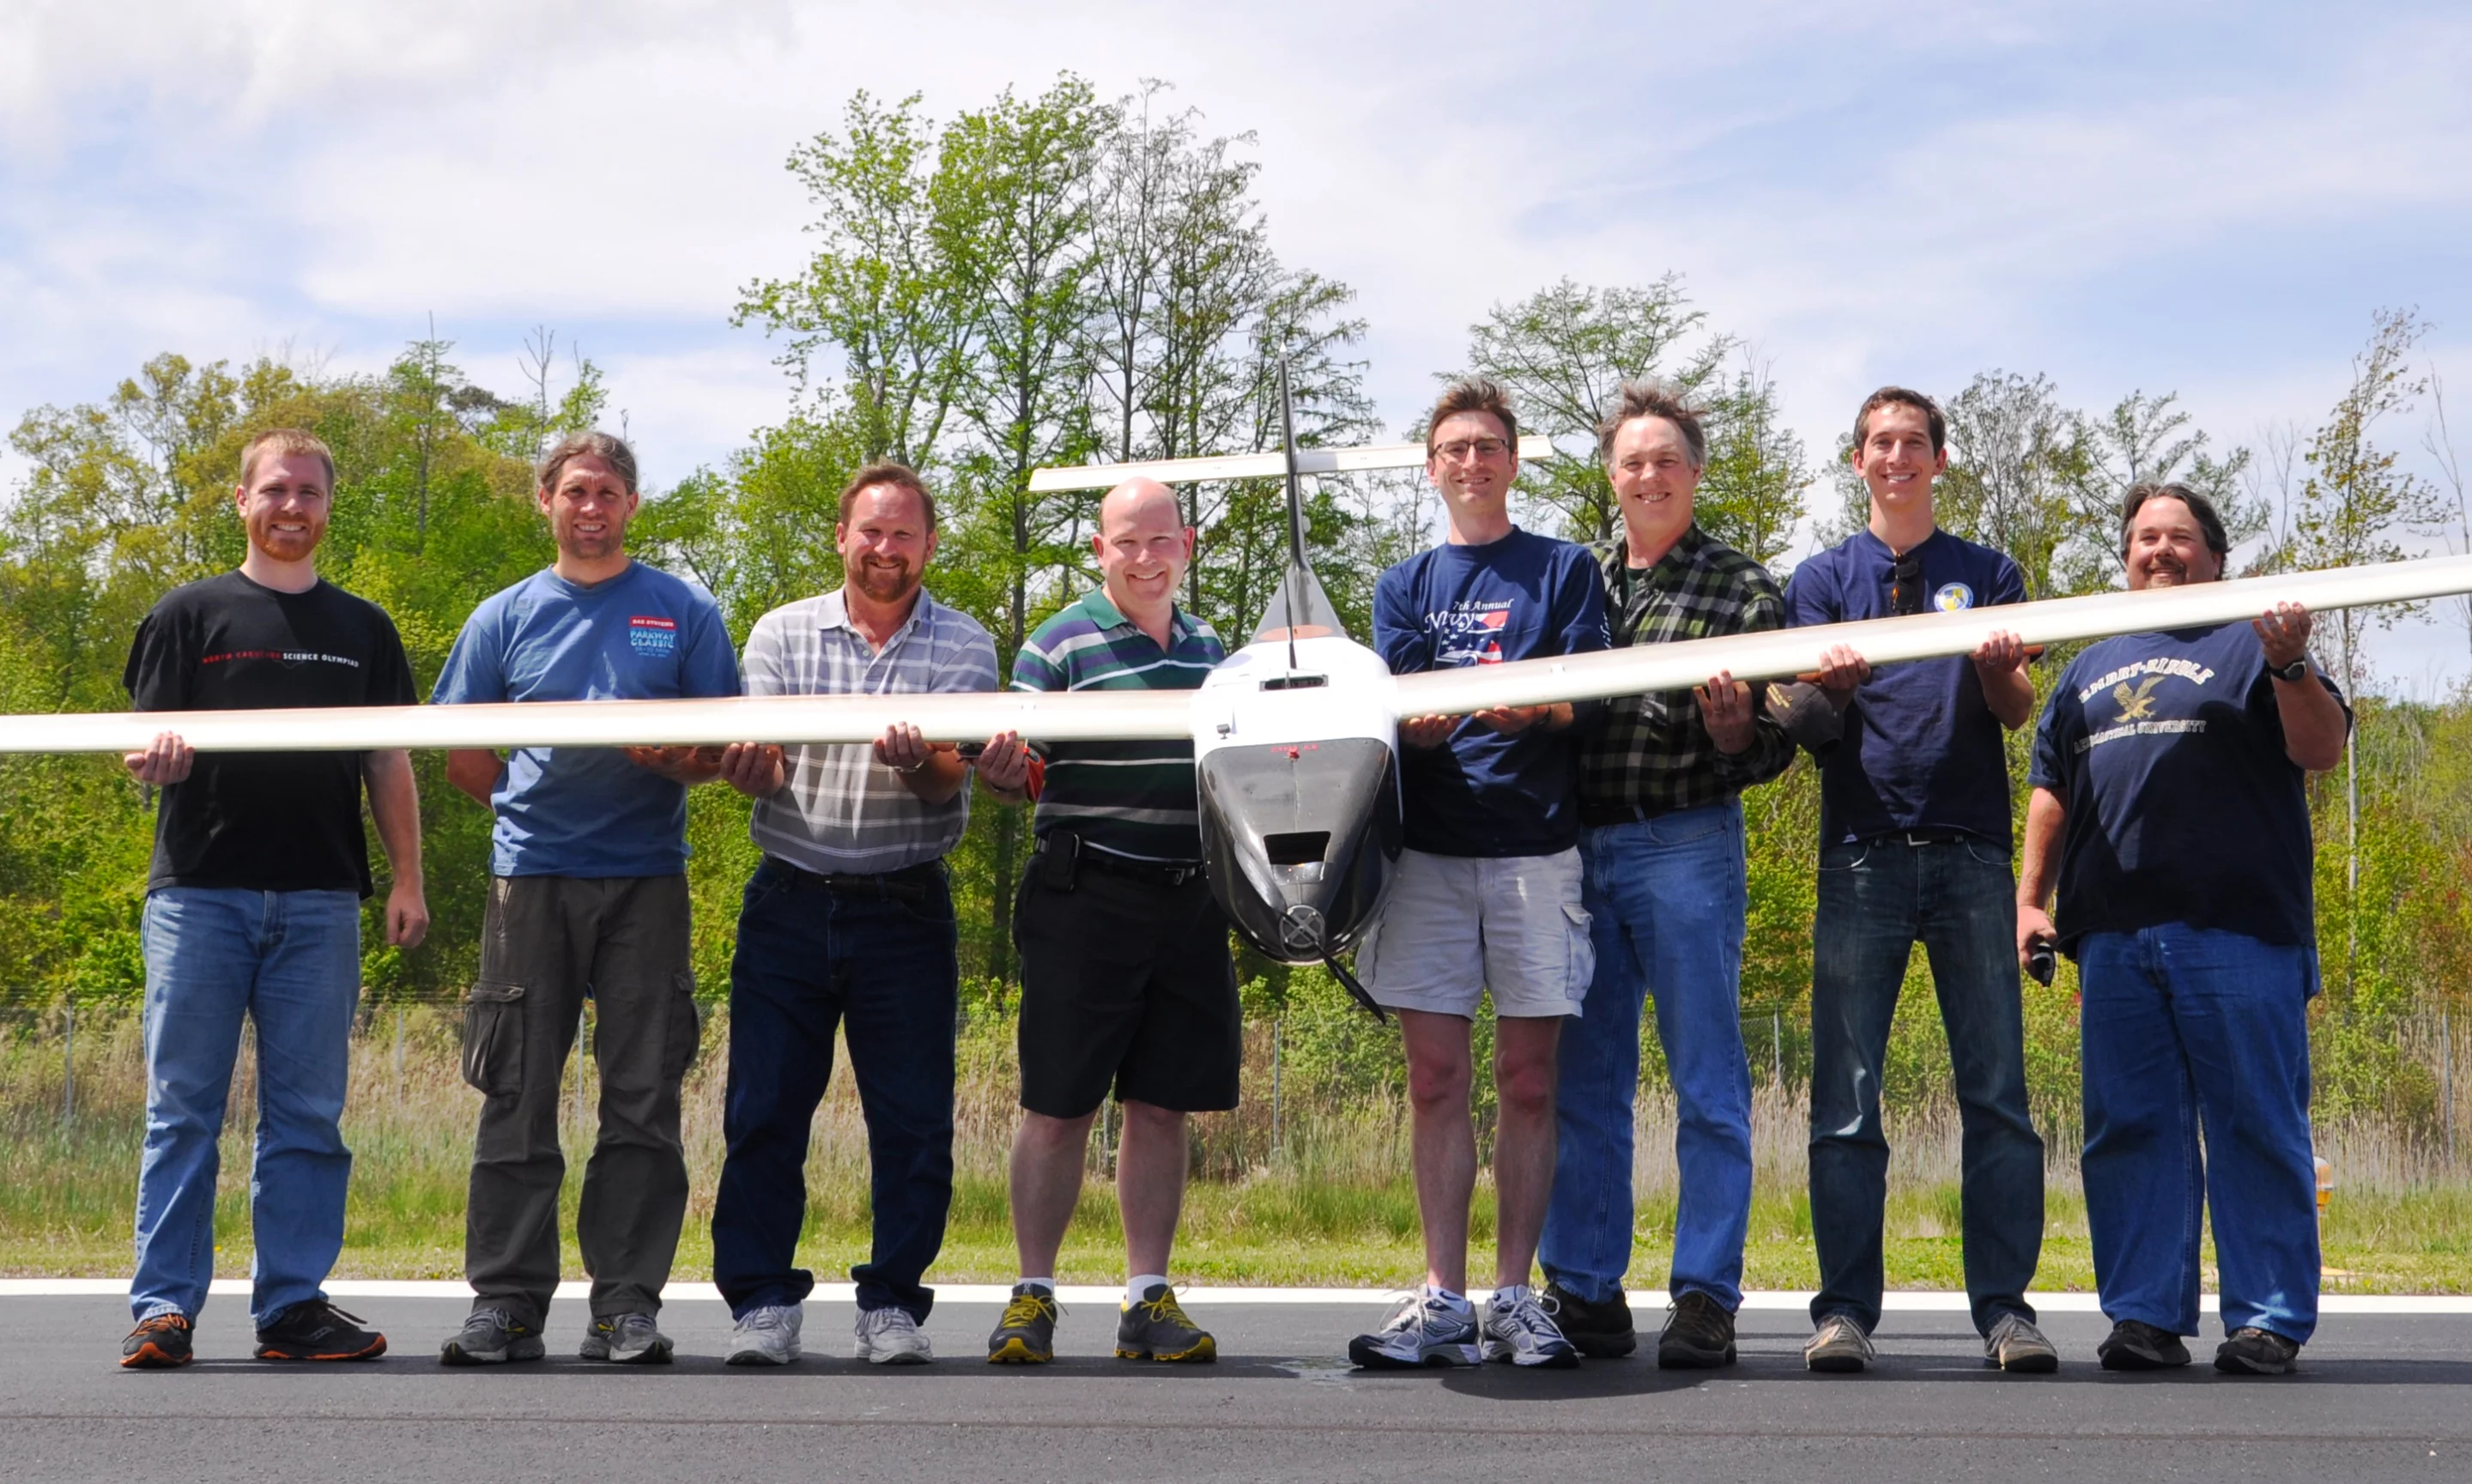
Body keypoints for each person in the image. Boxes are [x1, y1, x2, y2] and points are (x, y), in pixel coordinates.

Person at [2018, 483, 2348, 1376]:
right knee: (2129, 1127)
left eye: (2177, 537)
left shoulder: (2257, 641)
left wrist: (2289, 665)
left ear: (2215, 553)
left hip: (2238, 929)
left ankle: (2267, 1319)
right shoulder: (2089, 667)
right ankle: (2145, 1316)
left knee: (2256, 1124)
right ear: (2125, 555)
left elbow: (2321, 748)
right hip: (2116, 937)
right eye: (2142, 538)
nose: (2157, 550)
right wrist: (2031, 899)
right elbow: (2052, 787)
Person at [118, 427, 427, 1369]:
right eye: (276, 490)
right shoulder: (188, 613)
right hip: (199, 898)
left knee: (307, 1115)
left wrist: (407, 878)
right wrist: (152, 763)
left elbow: (388, 757)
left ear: (330, 507)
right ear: (241, 500)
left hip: (322, 902)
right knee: (184, 1110)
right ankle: (164, 1307)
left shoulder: (363, 629)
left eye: (309, 493)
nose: (292, 507)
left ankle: (291, 1307)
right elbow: (140, 749)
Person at [431, 431, 739, 1366]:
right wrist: (533, 810)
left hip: (649, 878)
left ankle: (628, 1305)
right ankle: (508, 1303)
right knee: (515, 1093)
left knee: (642, 1099)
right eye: (574, 491)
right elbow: (464, 758)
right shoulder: (503, 616)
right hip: (530, 881)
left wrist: (669, 760)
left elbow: (724, 749)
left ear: (631, 505)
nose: (590, 507)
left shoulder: (682, 610)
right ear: (545, 501)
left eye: (607, 492)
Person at [706, 463, 1007, 1367]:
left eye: (903, 534)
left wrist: (919, 762)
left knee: (913, 1120)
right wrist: (753, 768)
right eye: (870, 532)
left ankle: (893, 1304)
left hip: (905, 904)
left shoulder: (964, 643)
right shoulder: (781, 631)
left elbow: (951, 777)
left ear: (929, 545)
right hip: (789, 898)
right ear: (841, 536)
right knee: (763, 1112)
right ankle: (762, 1301)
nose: (885, 549)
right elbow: (763, 751)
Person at [1784, 386, 2057, 1373]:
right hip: (1860, 852)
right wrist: (1831, 687)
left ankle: (2007, 1314)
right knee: (1847, 1098)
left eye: (1913, 443)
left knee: (1997, 1095)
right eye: (1879, 442)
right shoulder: (1821, 579)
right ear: (1856, 460)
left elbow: (2019, 706)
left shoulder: (1989, 572)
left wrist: (1992, 667)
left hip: (1975, 853)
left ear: (1940, 460)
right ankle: (1845, 1312)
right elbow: (1799, 728)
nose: (1896, 456)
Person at [1348, 377, 1609, 1371]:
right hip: (1431, 857)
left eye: (1487, 445)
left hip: (1536, 851)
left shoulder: (1563, 570)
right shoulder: (1402, 585)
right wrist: (1422, 721)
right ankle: (1444, 1298)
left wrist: (1531, 709)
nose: (1470, 461)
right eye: (1453, 447)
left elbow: (1583, 695)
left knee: (1530, 1079)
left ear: (1512, 459)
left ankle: (1514, 1296)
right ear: (1431, 466)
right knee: (1434, 1079)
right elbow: (1401, 711)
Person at [1541, 381, 1797, 1368]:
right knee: (1587, 1083)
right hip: (1577, 851)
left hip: (1685, 840)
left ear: (1694, 473)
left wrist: (1736, 732)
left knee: (1705, 1079)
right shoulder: (1577, 583)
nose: (1648, 475)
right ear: (1612, 475)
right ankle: (1587, 1291)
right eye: (1632, 460)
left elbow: (1775, 741)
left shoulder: (1743, 589)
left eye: (1666, 460)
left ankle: (1703, 1296)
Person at [982, 476, 1233, 1367]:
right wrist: (1004, 771)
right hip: (1085, 897)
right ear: (1099, 550)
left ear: (1187, 545)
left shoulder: (1215, 651)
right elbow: (1019, 767)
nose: (1144, 556)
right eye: (1125, 541)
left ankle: (1146, 1298)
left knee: (1162, 1105)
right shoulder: (1057, 644)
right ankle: (1032, 1296)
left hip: (1191, 898)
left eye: (1160, 539)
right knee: (1058, 1105)